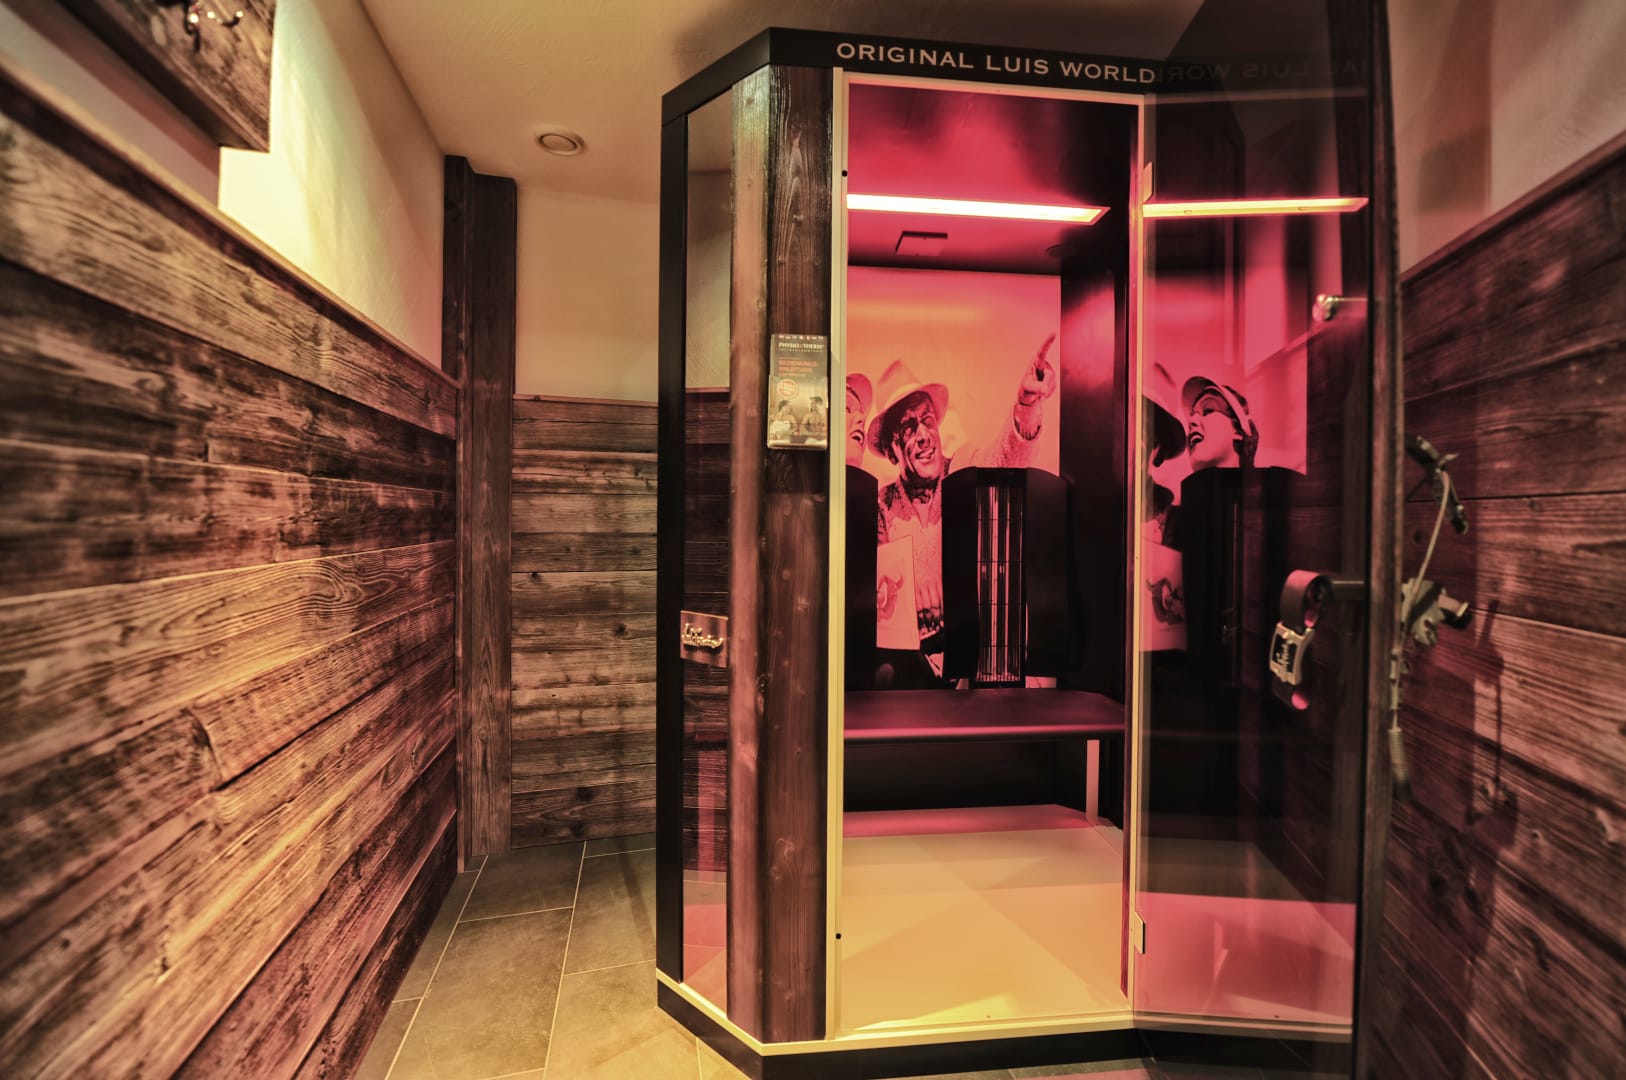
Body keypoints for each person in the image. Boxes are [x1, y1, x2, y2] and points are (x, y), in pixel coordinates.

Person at [867, 334, 1059, 683]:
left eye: (927, 420)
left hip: (976, 672)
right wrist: (907, 600)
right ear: (892, 450)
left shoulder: (963, 469)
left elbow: (1004, 461)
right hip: (911, 680)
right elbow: (870, 596)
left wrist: (1027, 403)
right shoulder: (880, 507)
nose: (923, 435)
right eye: (908, 428)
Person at [1181, 376, 1258, 472]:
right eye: (1192, 415)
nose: (1191, 420)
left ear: (1239, 431)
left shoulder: (1270, 481)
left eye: (1208, 411)